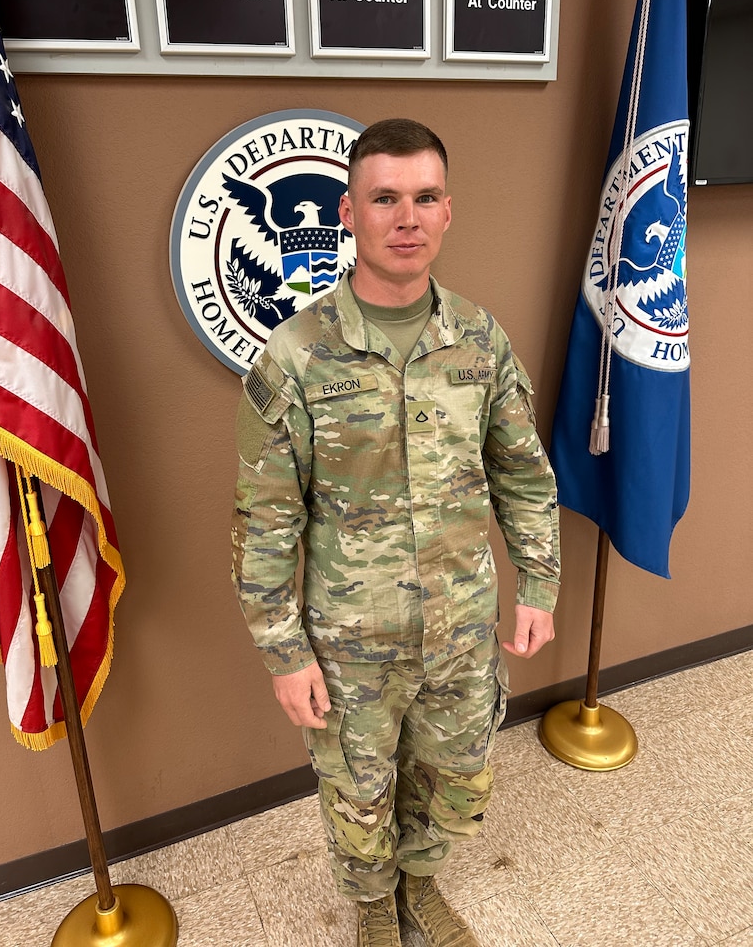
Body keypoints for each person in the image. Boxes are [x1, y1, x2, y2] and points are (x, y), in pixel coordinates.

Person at [232, 118, 561, 947]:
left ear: (449, 211)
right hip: (352, 643)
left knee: (458, 777)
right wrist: (285, 652)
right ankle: (375, 905)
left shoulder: (480, 341)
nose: (405, 217)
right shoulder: (297, 358)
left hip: (461, 630)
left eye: (424, 197)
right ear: (349, 213)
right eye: (385, 198)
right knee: (358, 788)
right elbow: (264, 522)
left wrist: (540, 587)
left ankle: (420, 884)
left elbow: (524, 475)